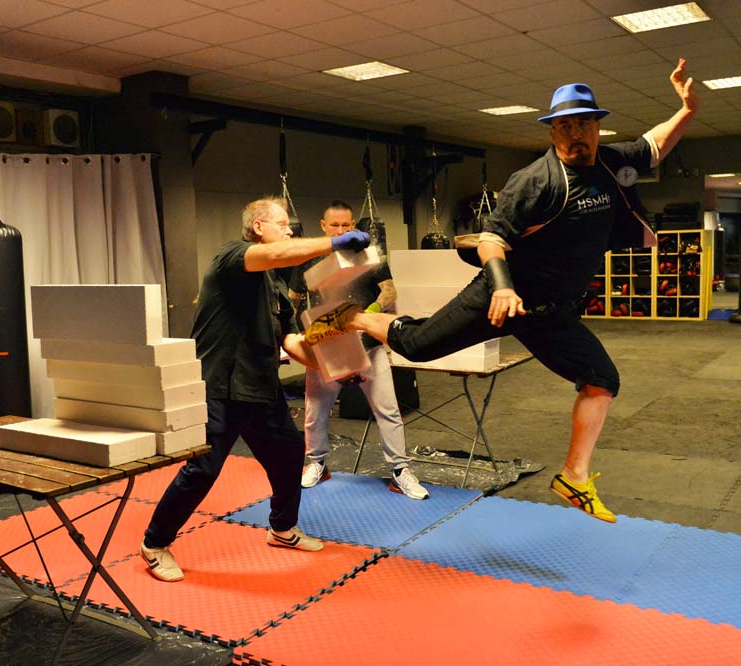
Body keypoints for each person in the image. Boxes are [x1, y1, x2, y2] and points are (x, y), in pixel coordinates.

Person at [305, 58, 700, 524]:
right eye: (565, 126)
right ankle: (349, 316)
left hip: (551, 311)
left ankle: (574, 477)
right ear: (552, 132)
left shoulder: (612, 163)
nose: (576, 133)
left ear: (597, 127)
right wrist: (503, 287)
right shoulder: (535, 181)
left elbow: (655, 144)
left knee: (602, 380)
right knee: (416, 345)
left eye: (584, 124)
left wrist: (687, 110)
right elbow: (492, 239)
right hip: (503, 296)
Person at [140, 197, 371, 582]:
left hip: (261, 388)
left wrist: (336, 367)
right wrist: (334, 243)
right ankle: (154, 543)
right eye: (282, 224)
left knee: (289, 454)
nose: (290, 230)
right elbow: (278, 253)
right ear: (259, 227)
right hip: (220, 386)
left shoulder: (275, 285)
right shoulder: (232, 257)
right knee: (203, 469)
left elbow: (290, 341)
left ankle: (282, 528)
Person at [288, 201, 429, 500]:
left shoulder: (369, 255)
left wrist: (368, 314)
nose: (341, 230)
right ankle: (317, 464)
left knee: (388, 410)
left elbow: (389, 290)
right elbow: (293, 298)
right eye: (334, 225)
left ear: (353, 225)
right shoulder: (309, 259)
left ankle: (400, 471)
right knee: (315, 411)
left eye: (346, 225)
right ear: (323, 225)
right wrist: (296, 332)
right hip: (326, 348)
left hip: (369, 346)